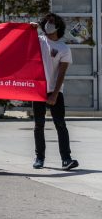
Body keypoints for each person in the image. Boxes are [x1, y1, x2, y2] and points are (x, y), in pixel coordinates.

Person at [32, 14, 79, 170]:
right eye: (46, 22)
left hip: (55, 91)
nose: (48, 25)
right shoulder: (39, 40)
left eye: (51, 22)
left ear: (58, 26)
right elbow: (21, 40)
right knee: (39, 125)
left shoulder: (63, 48)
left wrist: (55, 94)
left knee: (60, 124)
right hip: (38, 90)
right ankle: (39, 158)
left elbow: (62, 73)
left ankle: (66, 159)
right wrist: (30, 28)